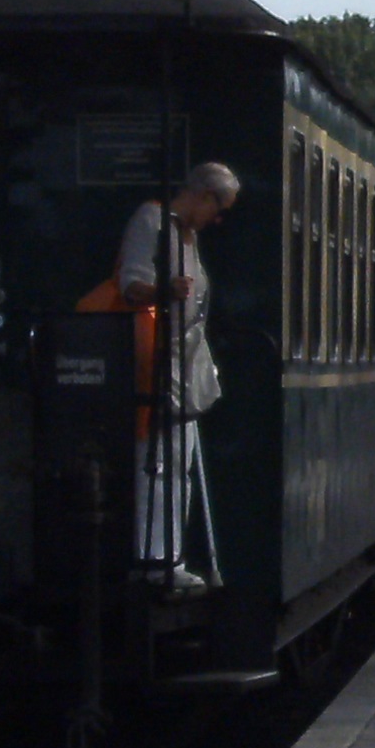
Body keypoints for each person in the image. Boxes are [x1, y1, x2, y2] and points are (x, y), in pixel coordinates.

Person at [115, 161, 242, 590]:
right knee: (156, 461)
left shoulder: (189, 238)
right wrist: (165, 292)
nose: (218, 219)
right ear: (204, 196)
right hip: (156, 356)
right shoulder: (152, 221)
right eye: (219, 208)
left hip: (186, 365)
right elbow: (131, 284)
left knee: (179, 465)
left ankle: (171, 556)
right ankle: (154, 557)